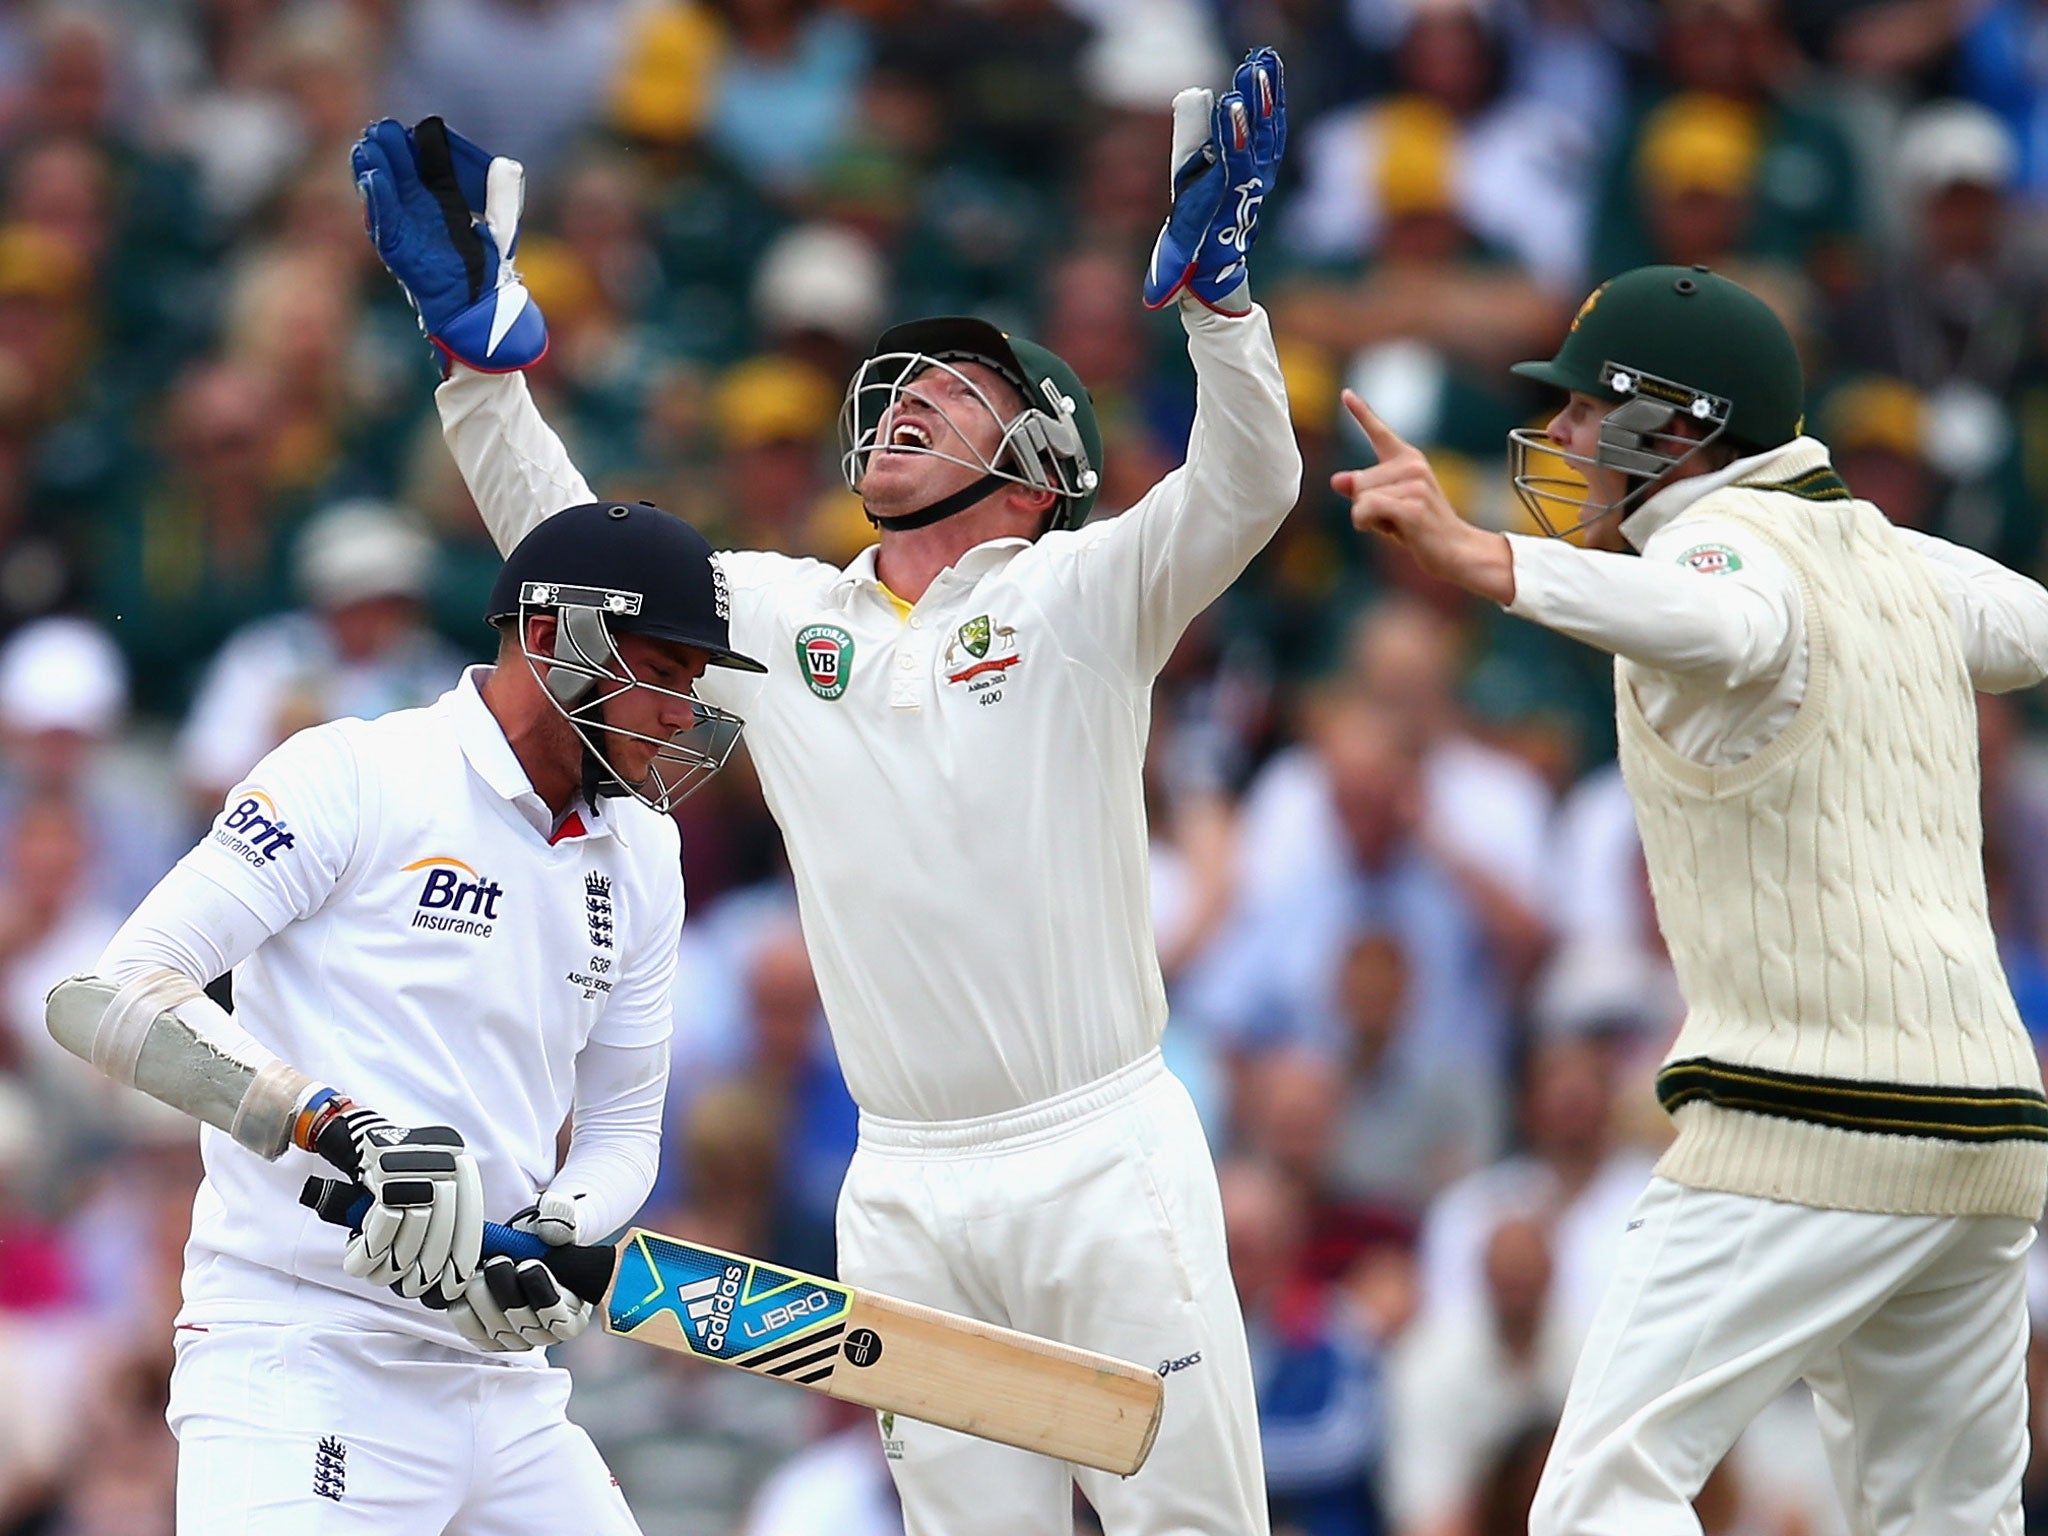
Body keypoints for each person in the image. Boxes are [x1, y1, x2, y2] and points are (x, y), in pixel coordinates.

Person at [352, 50, 1296, 1535]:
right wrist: (476, 368)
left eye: (959, 391)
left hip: (1102, 1149)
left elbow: (1248, 491)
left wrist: (1221, 313)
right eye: (901, 381)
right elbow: (580, 561)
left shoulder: (1088, 589)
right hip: (904, 1179)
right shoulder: (790, 619)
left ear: (1044, 460)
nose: (908, 398)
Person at [1338, 261, 2048, 1533]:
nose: (1553, 437)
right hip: (1989, 1127)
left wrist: (1474, 553)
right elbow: (2031, 626)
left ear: (1674, 427)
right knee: (1948, 1522)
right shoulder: (1887, 557)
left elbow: (1726, 625)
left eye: (1575, 409)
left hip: (1811, 1111)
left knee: (1599, 1499)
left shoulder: (1713, 544)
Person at [43, 502, 763, 1532]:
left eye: (694, 684)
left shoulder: (645, 855)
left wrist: (548, 1237)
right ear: (554, 634)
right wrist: (352, 1135)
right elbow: (113, 996)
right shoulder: (356, 774)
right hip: (303, 1350)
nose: (678, 712)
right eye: (662, 667)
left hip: (502, 1376)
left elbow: (618, 1135)